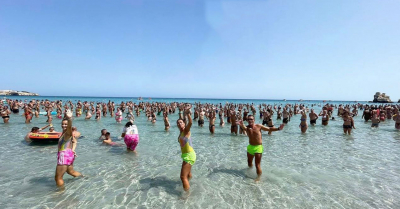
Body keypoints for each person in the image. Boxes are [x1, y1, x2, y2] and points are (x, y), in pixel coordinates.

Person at [239, 115, 284, 180]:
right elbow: (243, 127)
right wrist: (241, 124)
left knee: (257, 165)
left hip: (258, 147)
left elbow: (269, 129)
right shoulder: (247, 128)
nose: (250, 120)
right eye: (248, 119)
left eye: (251, 119)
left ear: (254, 120)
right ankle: (250, 171)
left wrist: (278, 128)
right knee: (249, 163)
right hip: (250, 147)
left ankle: (258, 178)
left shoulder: (259, 126)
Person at [55, 110, 82, 187]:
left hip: (64, 156)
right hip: (69, 154)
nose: (64, 126)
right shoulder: (65, 133)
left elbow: (69, 127)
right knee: (71, 172)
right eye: (63, 124)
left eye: (66, 125)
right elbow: (74, 141)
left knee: (58, 178)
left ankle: (60, 194)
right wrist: (73, 150)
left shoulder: (67, 133)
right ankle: (84, 178)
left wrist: (70, 119)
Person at [177, 105, 195, 191]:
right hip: (187, 155)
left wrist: (188, 114)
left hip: (189, 155)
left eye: (181, 122)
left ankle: (186, 195)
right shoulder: (180, 134)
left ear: (184, 124)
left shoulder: (186, 131)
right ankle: (190, 183)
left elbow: (190, 123)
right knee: (187, 174)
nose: (179, 124)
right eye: (178, 123)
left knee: (182, 177)